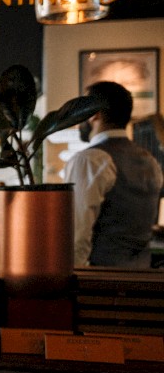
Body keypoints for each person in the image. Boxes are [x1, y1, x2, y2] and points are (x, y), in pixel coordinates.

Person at [64, 80, 163, 268]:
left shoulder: (90, 159)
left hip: (102, 283)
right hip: (143, 278)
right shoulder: (150, 161)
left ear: (94, 114)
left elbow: (76, 235)